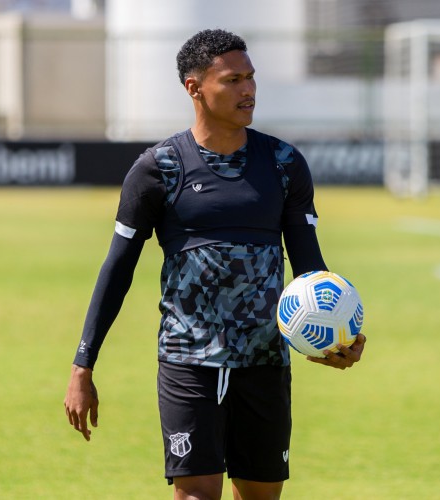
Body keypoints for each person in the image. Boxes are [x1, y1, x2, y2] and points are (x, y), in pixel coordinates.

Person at [64, 28, 366, 500]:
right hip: (188, 362)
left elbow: (310, 268)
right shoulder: (157, 168)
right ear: (194, 87)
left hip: (265, 362)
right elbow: (117, 268)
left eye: (250, 78)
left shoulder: (284, 163)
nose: (248, 90)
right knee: (196, 495)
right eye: (232, 80)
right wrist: (84, 364)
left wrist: (333, 335)